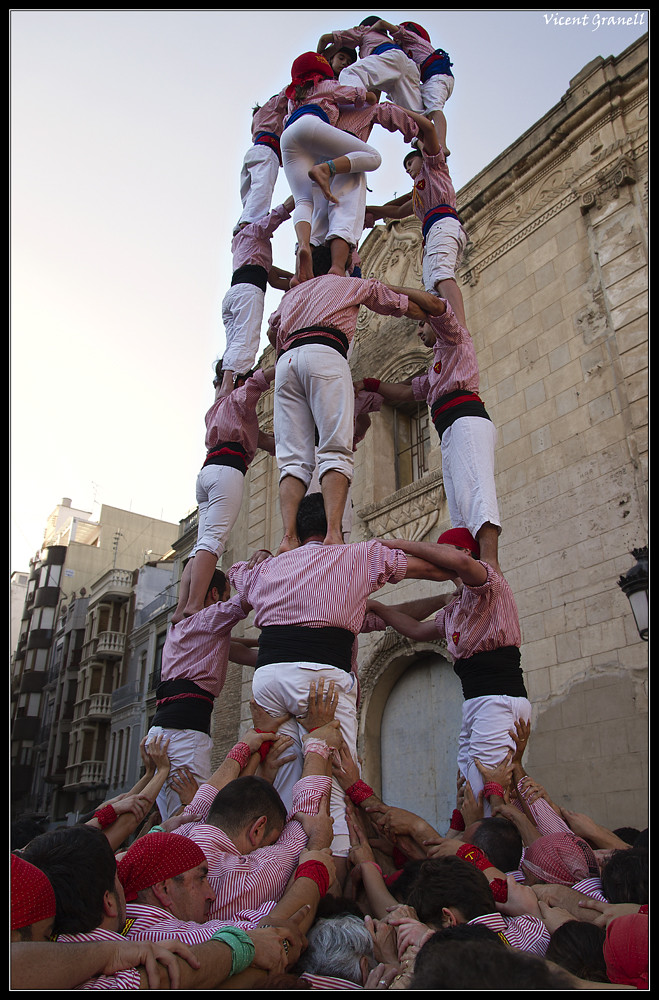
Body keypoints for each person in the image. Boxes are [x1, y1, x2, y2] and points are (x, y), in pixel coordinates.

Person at [228, 492, 458, 856]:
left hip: (270, 680)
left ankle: (281, 862)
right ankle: (328, 864)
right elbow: (433, 569)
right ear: (338, 524)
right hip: (321, 678)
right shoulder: (355, 556)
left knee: (286, 773)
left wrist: (261, 556)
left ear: (297, 530)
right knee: (334, 780)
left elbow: (237, 574)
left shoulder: (269, 569)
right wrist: (463, 573)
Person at [267, 259, 447, 550]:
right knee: (335, 450)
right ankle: (334, 534)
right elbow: (398, 303)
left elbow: (273, 331)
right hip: (325, 352)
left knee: (292, 461)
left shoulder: (292, 295)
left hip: (287, 363)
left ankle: (288, 537)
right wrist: (430, 314)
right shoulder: (347, 283)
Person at [366, 529, 531, 810]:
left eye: (444, 550)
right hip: (477, 702)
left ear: (465, 553)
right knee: (468, 787)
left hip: (498, 698)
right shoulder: (456, 606)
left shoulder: (488, 582)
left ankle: (503, 849)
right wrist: (379, 608)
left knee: (488, 792)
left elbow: (465, 566)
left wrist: (396, 544)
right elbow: (417, 629)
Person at [20, 825, 292, 988]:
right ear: (108, 901)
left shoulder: (48, 962)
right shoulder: (139, 961)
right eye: (202, 877)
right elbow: (279, 939)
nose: (212, 893)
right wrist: (245, 946)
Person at [356, 299, 501, 570]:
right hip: (448, 430)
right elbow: (406, 392)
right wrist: (370, 384)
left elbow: (438, 306)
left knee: (476, 490)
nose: (418, 330)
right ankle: (469, 569)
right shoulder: (437, 368)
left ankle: (491, 563)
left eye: (421, 323)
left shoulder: (454, 339)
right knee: (459, 507)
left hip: (465, 421)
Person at [171, 719, 338, 926]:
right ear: (258, 829)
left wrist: (244, 748)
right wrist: (318, 744)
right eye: (272, 842)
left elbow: (205, 797)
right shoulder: (246, 877)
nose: (270, 848)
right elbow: (307, 817)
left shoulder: (180, 831)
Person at [146, 568, 254, 819]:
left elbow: (238, 649)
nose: (226, 601)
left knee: (175, 817)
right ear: (214, 593)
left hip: (163, 732)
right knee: (192, 820)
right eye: (225, 596)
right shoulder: (209, 619)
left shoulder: (180, 627)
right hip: (185, 735)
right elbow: (250, 597)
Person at [172, 363, 276, 622]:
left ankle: (180, 607)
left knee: (201, 545)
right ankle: (195, 604)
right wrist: (294, 357)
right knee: (213, 542)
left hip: (207, 473)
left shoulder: (216, 410)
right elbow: (261, 379)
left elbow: (266, 442)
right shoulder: (240, 399)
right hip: (227, 471)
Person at [279, 51, 381, 282]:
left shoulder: (292, 97)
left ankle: (304, 247)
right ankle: (327, 169)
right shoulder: (326, 85)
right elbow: (364, 97)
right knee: (372, 157)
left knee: (305, 201)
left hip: (289, 140)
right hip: (311, 127)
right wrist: (369, 95)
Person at [366, 110, 467, 326]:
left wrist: (413, 132)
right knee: (432, 287)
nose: (408, 170)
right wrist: (371, 211)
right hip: (431, 233)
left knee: (441, 275)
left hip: (443, 224)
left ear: (420, 157)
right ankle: (445, 328)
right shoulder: (420, 195)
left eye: (410, 164)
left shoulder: (435, 167)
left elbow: (429, 131)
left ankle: (459, 328)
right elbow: (397, 211)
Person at [220, 198, 294, 395]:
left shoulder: (242, 245)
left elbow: (274, 278)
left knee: (234, 345)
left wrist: (299, 279)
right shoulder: (253, 231)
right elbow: (282, 211)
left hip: (234, 294)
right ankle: (227, 389)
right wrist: (305, 186)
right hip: (248, 291)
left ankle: (224, 387)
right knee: (246, 341)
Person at [367, 19, 454, 153]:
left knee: (435, 107)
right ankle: (425, 145)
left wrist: (368, 31)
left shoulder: (411, 38)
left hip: (438, 75)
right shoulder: (407, 53)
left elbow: (383, 24)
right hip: (429, 79)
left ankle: (442, 144)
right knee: (423, 113)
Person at [317, 16, 424, 116]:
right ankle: (427, 135)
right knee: (415, 116)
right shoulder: (388, 40)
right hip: (410, 67)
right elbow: (375, 93)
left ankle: (350, 110)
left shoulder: (364, 31)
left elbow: (324, 39)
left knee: (350, 73)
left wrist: (318, 61)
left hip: (389, 57)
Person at [234, 89, 289, 234]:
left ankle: (244, 220)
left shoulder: (258, 120)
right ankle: (252, 220)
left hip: (255, 150)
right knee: (263, 185)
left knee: (249, 191)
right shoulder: (272, 105)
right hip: (267, 149)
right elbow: (285, 94)